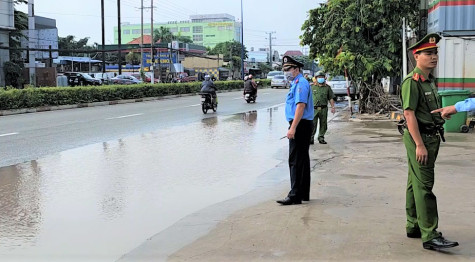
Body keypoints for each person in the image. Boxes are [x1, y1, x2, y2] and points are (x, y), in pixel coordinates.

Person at [401, 33, 458, 250]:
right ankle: (430, 235)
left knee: (414, 183)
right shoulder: (412, 82)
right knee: (425, 187)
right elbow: (409, 115)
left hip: (431, 135)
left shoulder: (429, 81)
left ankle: (414, 225)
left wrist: (440, 116)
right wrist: (419, 144)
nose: (433, 57)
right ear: (417, 56)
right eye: (428, 53)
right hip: (421, 138)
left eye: (435, 53)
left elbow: (425, 110)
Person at [276, 56, 314, 205]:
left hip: (300, 124)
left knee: (295, 160)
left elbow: (300, 106)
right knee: (302, 159)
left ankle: (294, 195)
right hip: (303, 124)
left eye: (288, 69)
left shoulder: (300, 84)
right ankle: (303, 193)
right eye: (284, 69)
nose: (286, 72)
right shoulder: (297, 83)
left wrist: (292, 128)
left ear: (296, 69)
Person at [310, 71, 335, 144]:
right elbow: (307, 98)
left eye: (322, 77)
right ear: (316, 78)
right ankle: (311, 138)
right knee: (312, 124)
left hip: (323, 109)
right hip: (314, 109)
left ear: (325, 78)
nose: (320, 78)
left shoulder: (327, 88)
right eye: (319, 77)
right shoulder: (312, 87)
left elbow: (330, 98)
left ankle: (321, 137)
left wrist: (333, 107)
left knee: (323, 124)